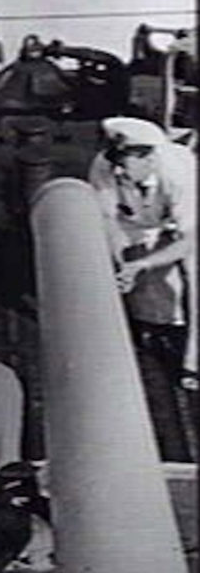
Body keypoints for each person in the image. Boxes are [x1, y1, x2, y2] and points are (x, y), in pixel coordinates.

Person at [89, 117, 197, 454]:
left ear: (149, 157)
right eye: (117, 162)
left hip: (180, 228)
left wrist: (145, 264)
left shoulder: (178, 171)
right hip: (137, 225)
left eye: (128, 163)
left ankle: (193, 359)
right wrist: (122, 265)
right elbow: (108, 222)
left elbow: (187, 241)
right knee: (138, 291)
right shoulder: (104, 168)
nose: (120, 172)